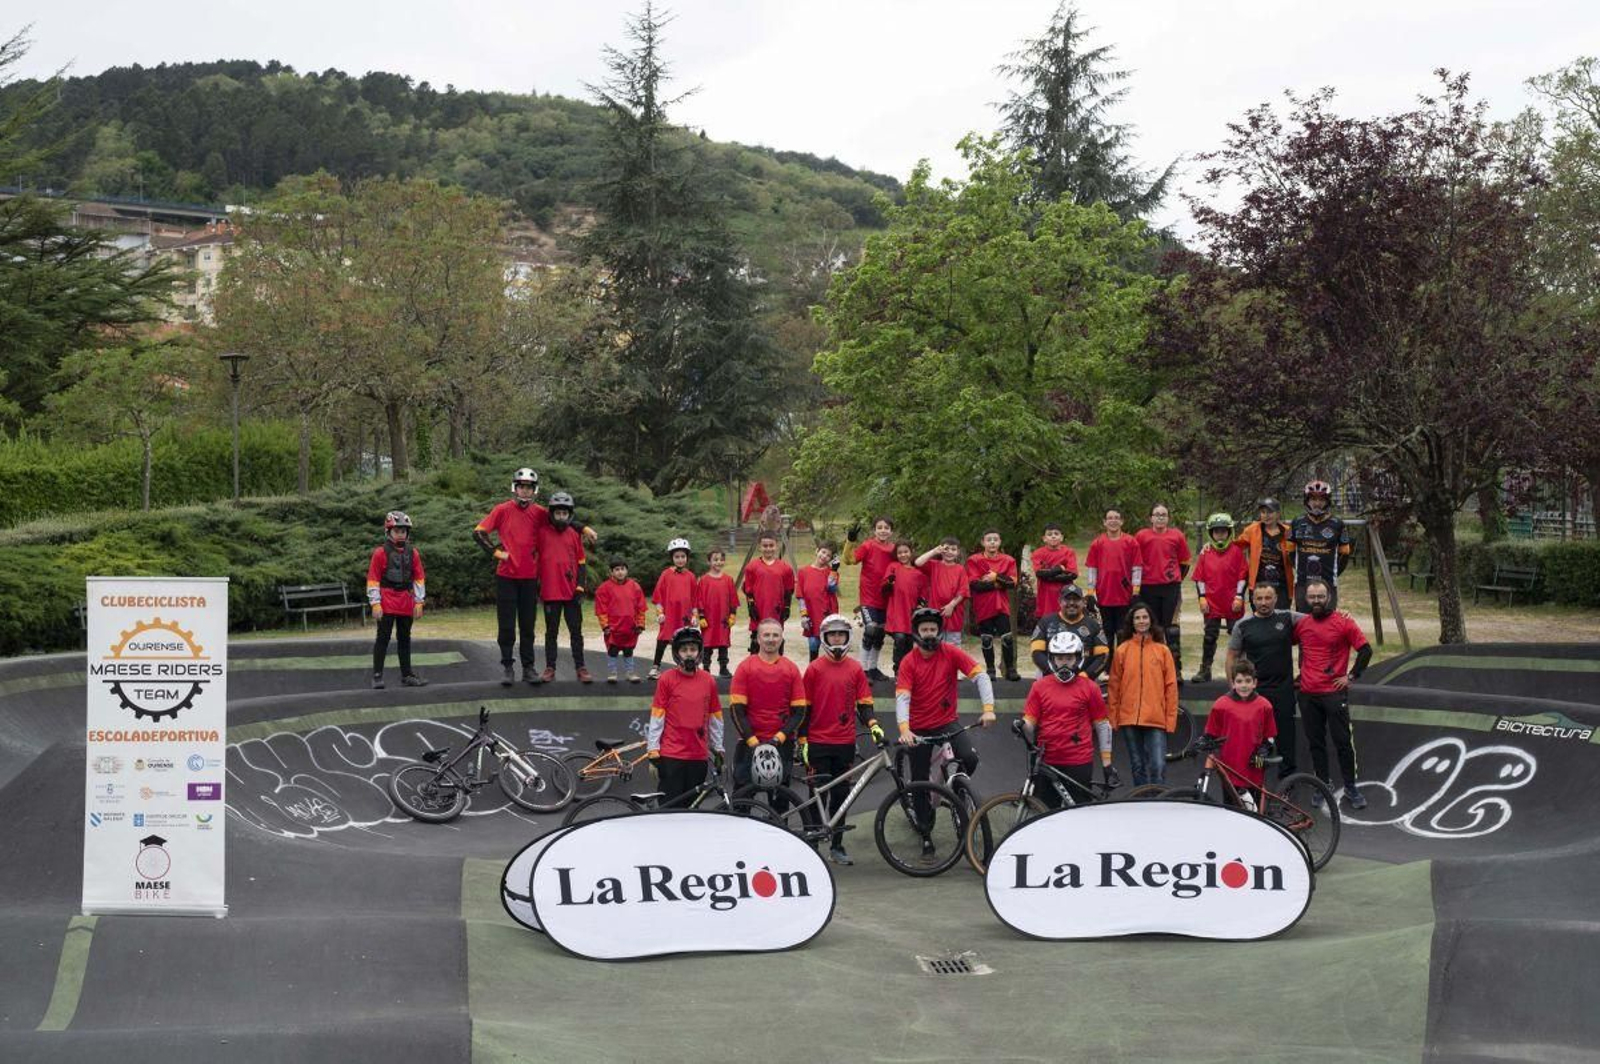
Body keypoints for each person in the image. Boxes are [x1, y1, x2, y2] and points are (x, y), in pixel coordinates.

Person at [896, 607, 997, 852]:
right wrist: (905, 728)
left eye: (933, 629)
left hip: (947, 722)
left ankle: (958, 789)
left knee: (970, 758)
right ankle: (925, 832)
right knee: (919, 783)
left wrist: (988, 708)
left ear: (939, 631)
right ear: (916, 633)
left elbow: (981, 676)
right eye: (924, 629)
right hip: (918, 728)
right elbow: (902, 697)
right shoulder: (909, 662)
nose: (929, 634)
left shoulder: (950, 652)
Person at [800, 614, 884, 864]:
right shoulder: (814, 668)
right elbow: (804, 707)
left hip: (845, 742)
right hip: (817, 742)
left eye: (841, 635)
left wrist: (874, 724)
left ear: (847, 637)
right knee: (817, 793)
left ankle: (837, 846)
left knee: (840, 795)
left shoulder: (856, 668)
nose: (837, 639)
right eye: (832, 635)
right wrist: (802, 740)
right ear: (825, 638)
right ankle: (813, 843)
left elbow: (864, 702)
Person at [1293, 578, 1373, 810]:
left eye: (1320, 596)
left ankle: (1350, 787)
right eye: (1312, 597)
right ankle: (1323, 786)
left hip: (1334, 694)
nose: (1316, 601)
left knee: (1343, 743)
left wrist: (1351, 677)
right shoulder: (1302, 624)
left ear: (1329, 597)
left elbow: (1366, 651)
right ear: (1305, 599)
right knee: (1316, 744)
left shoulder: (1343, 622)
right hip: (1308, 694)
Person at [1021, 632, 1116, 807]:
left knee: (1078, 817)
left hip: (1079, 762)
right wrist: (1021, 726)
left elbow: (1102, 726)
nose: (1064, 662)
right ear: (1052, 659)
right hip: (1047, 761)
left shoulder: (1090, 688)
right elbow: (1030, 722)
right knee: (1045, 816)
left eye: (1069, 658)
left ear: (1078, 658)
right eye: (1059, 658)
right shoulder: (1039, 686)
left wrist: (1107, 765)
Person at [1225, 585, 1304, 779]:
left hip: (1283, 691)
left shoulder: (1287, 617)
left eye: (1268, 598)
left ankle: (1288, 780)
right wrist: (1232, 686)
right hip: (1255, 693)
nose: (1263, 603)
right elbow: (1231, 656)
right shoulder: (1243, 625)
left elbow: (1318, 619)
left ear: (1276, 599)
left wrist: (1340, 615)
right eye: (1259, 598)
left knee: (1286, 738)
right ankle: (1256, 776)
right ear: (1253, 599)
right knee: (1257, 741)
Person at [730, 618, 808, 812]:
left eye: (775, 635)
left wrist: (778, 739)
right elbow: (737, 712)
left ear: (782, 639)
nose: (771, 639)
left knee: (780, 807)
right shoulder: (745, 668)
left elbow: (799, 712)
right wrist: (753, 742)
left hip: (781, 745)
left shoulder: (791, 669)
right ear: (757, 639)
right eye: (766, 635)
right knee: (741, 805)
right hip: (749, 745)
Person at [646, 626, 725, 806]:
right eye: (684, 650)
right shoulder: (666, 679)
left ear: (699, 651)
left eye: (692, 649)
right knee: (670, 809)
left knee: (692, 810)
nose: (689, 654)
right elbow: (657, 717)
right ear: (676, 653)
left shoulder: (708, 680)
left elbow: (715, 718)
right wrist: (653, 751)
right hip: (672, 756)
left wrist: (718, 748)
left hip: (698, 756)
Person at [1107, 601, 1178, 787]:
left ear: (1151, 620)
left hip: (1156, 718)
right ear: (1132, 622)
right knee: (1137, 765)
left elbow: (1171, 687)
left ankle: (1158, 801)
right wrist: (1113, 717)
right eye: (1137, 618)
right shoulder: (1122, 650)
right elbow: (1114, 686)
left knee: (1158, 765)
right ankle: (1141, 802)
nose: (1141, 621)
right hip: (1129, 718)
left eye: (1144, 617)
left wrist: (1170, 719)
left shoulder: (1162, 651)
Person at [367, 511, 427, 690]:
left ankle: (407, 674)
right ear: (389, 532)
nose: (401, 534)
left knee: (404, 639)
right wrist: (375, 603)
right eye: (397, 531)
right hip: (386, 601)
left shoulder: (413, 553)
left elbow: (419, 577)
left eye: (403, 531)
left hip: (405, 602)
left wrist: (419, 602)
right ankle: (377, 675)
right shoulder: (380, 553)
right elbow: (373, 579)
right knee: (383, 638)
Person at [1204, 659, 1278, 804]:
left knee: (1254, 811)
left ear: (1255, 683)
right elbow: (1211, 732)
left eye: (1247, 681)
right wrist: (1203, 742)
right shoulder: (1221, 705)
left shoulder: (1264, 706)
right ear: (1233, 683)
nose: (1243, 685)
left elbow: (1270, 736)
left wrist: (1263, 750)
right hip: (1230, 766)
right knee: (1231, 808)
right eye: (1239, 681)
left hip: (1254, 764)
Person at [536, 492, 591, 683]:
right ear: (552, 514)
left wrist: (580, 587)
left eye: (564, 514)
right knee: (551, 633)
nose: (561, 517)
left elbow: (582, 563)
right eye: (558, 513)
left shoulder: (575, 535)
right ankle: (550, 667)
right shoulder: (541, 533)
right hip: (550, 593)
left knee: (576, 632)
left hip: (571, 593)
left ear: (570, 515)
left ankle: (581, 667)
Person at [1135, 504, 1192, 676]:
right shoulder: (1141, 536)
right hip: (1148, 587)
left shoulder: (1177, 536)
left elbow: (1185, 562)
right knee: (1150, 626)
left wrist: (1174, 579)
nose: (1160, 517)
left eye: (1164, 515)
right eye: (1157, 514)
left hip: (1170, 588)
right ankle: (1151, 667)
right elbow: (1135, 561)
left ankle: (1176, 669)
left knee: (1171, 628)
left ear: (1168, 518)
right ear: (1151, 518)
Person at [1190, 513, 1248, 682]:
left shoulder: (1237, 551)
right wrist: (1201, 598)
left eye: (1223, 531)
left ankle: (1241, 671)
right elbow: (1199, 577)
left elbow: (1242, 576)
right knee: (1209, 636)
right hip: (1211, 602)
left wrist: (1239, 596)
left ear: (1229, 532)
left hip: (1232, 602)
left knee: (1238, 636)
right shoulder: (1205, 553)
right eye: (1216, 532)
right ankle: (1205, 669)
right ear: (1211, 533)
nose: (1220, 535)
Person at [846, 516, 898, 681]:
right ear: (874, 530)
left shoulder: (894, 549)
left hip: (886, 597)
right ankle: (862, 670)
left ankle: (873, 668)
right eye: (879, 527)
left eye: (886, 527)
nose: (883, 530)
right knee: (870, 629)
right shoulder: (868, 545)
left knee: (880, 634)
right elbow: (850, 560)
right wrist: (850, 540)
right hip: (868, 597)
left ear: (891, 531)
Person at [1085, 508, 1143, 655]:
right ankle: (1108, 668)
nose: (1113, 520)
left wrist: (1136, 591)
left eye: (1116, 517)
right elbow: (1092, 569)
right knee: (1107, 632)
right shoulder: (1097, 543)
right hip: (1104, 594)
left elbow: (1136, 568)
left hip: (1125, 595)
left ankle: (1123, 666)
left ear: (1122, 521)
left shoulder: (1131, 542)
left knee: (1123, 632)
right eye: (1110, 518)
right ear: (1104, 522)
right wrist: (1091, 592)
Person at [964, 529, 1021, 681]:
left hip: (1002, 605)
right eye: (989, 540)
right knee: (987, 638)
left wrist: (995, 577)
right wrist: (999, 583)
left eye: (995, 539)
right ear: (983, 542)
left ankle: (1010, 669)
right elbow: (975, 585)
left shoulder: (1008, 560)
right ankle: (990, 669)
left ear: (1000, 542)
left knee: (1007, 638)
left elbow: (1012, 583)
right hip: (983, 605)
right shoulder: (974, 560)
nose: (992, 543)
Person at [1287, 480, 1351, 611]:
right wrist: (1300, 568)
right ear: (1307, 500)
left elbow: (1344, 554)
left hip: (1328, 582)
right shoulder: (1296, 522)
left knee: (1327, 624)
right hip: (1303, 583)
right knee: (1303, 623)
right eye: (1313, 499)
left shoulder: (1338, 524)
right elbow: (1290, 552)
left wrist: (1334, 573)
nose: (1317, 503)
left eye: (1321, 499)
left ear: (1328, 501)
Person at [1029, 584, 1110, 683]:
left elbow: (1103, 655)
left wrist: (1086, 675)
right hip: (1051, 679)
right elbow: (1036, 652)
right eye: (1067, 599)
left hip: (1084, 681)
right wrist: (1053, 673)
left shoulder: (1093, 625)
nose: (1071, 603)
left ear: (1084, 602)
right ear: (1059, 601)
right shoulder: (1045, 622)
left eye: (1076, 599)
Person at [594, 556, 648, 684]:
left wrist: (640, 624)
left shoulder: (635, 587)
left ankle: (630, 672)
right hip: (613, 628)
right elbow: (601, 610)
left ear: (627, 570)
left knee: (629, 651)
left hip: (630, 628)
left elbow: (641, 608)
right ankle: (612, 673)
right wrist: (605, 626)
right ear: (611, 572)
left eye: (622, 569)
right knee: (612, 650)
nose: (620, 572)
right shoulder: (604, 588)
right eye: (617, 569)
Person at [649, 539, 698, 680]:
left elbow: (695, 598)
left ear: (687, 557)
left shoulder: (691, 576)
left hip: (685, 615)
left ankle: (682, 666)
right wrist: (660, 612)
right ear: (672, 558)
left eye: (683, 556)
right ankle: (655, 667)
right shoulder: (666, 574)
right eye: (677, 557)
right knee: (664, 638)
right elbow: (658, 596)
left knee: (683, 640)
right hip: (669, 614)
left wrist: (695, 615)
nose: (680, 559)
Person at [741, 531, 796, 654]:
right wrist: (751, 606)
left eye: (771, 545)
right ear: (760, 547)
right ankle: (755, 664)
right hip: (759, 609)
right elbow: (748, 589)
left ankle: (777, 662)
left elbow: (788, 590)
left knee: (775, 634)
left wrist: (787, 607)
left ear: (776, 546)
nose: (768, 549)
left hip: (776, 609)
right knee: (757, 637)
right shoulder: (752, 567)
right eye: (765, 546)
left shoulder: (785, 568)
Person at [1237, 497, 1293, 606]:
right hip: (1259, 584)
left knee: (1280, 618)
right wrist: (1211, 545)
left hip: (1281, 586)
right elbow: (1235, 546)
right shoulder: (1252, 530)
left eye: (1270, 512)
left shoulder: (1287, 532)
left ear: (1278, 514)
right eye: (1263, 512)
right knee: (1260, 618)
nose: (1266, 516)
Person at [883, 540, 928, 670]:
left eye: (906, 552)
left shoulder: (919, 574)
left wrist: (921, 604)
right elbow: (884, 589)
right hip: (896, 611)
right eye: (900, 553)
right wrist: (888, 584)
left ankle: (907, 670)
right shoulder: (893, 567)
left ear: (911, 552)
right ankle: (897, 669)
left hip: (911, 613)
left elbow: (923, 594)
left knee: (910, 642)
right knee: (900, 639)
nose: (903, 555)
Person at [693, 549, 739, 677]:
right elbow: (699, 599)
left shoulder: (728, 580)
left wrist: (733, 614)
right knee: (707, 643)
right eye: (715, 560)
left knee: (723, 642)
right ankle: (706, 667)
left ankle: (723, 667)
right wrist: (701, 616)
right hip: (709, 618)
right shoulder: (704, 580)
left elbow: (733, 599)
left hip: (723, 618)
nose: (719, 562)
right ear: (709, 562)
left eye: (721, 559)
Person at [915, 537, 968, 645]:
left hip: (953, 614)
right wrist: (934, 551)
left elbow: (963, 591)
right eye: (946, 549)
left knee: (952, 647)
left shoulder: (960, 569)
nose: (949, 552)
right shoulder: (934, 565)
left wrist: (951, 605)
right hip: (936, 613)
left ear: (958, 552)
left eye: (953, 549)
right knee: (935, 645)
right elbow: (918, 562)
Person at [795, 544, 841, 662]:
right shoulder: (803, 572)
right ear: (817, 551)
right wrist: (804, 615)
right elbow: (800, 596)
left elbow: (831, 588)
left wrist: (834, 570)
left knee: (830, 645)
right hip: (811, 613)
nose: (824, 556)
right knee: (813, 644)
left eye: (829, 555)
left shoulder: (831, 572)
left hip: (827, 613)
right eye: (823, 552)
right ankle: (813, 671)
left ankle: (832, 673)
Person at [1030, 524, 1079, 623]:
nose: (1053, 536)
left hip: (1065, 594)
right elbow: (1040, 574)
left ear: (1061, 537)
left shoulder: (1068, 552)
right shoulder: (1038, 553)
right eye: (1049, 534)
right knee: (1048, 622)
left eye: (1056, 534)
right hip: (1046, 595)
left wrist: (1049, 575)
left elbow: (1073, 574)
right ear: (1044, 538)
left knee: (1066, 621)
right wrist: (1059, 569)